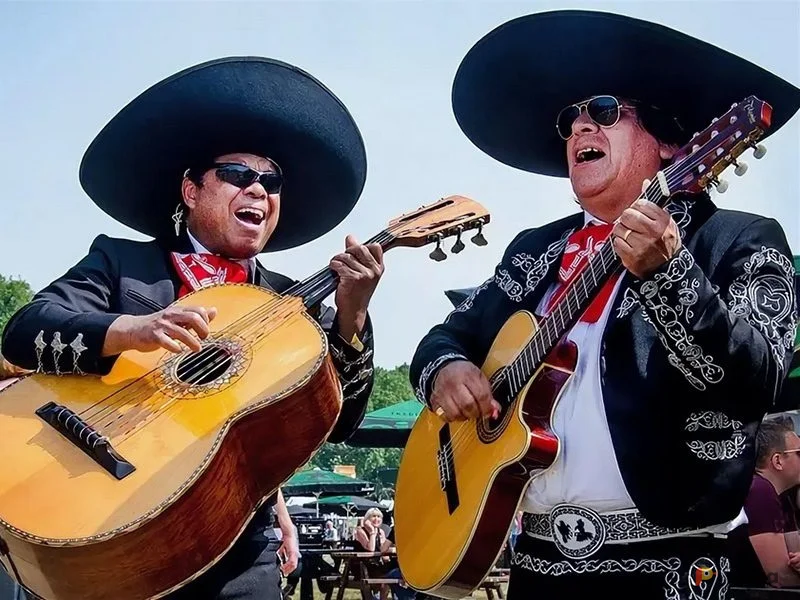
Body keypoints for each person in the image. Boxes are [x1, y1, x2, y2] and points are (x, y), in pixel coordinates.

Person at [410, 10, 799, 600]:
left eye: (605, 111)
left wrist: (671, 274)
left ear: (673, 143)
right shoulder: (534, 251)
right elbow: (449, 334)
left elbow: (754, 380)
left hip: (671, 567)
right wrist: (447, 369)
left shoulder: (739, 239)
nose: (579, 129)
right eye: (570, 120)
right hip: (539, 567)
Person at [1, 57, 383, 600]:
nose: (258, 189)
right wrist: (130, 330)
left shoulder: (294, 310)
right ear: (191, 190)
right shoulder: (121, 264)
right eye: (237, 175)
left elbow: (340, 423)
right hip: (99, 514)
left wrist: (353, 318)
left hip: (238, 549)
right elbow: (24, 331)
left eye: (271, 181)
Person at [728, 415, 800, 589]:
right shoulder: (759, 491)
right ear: (777, 461)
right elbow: (780, 577)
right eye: (799, 453)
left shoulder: (781, 496)